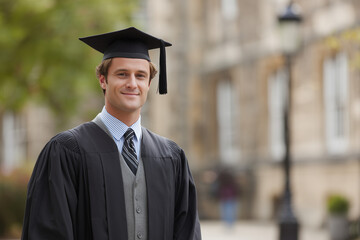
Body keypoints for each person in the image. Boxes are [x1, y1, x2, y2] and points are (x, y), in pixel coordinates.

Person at [21, 27, 202, 240]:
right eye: (122, 74)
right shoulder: (66, 151)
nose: (132, 83)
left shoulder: (171, 157)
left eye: (140, 76)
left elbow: (187, 232)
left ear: (149, 83)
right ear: (103, 80)